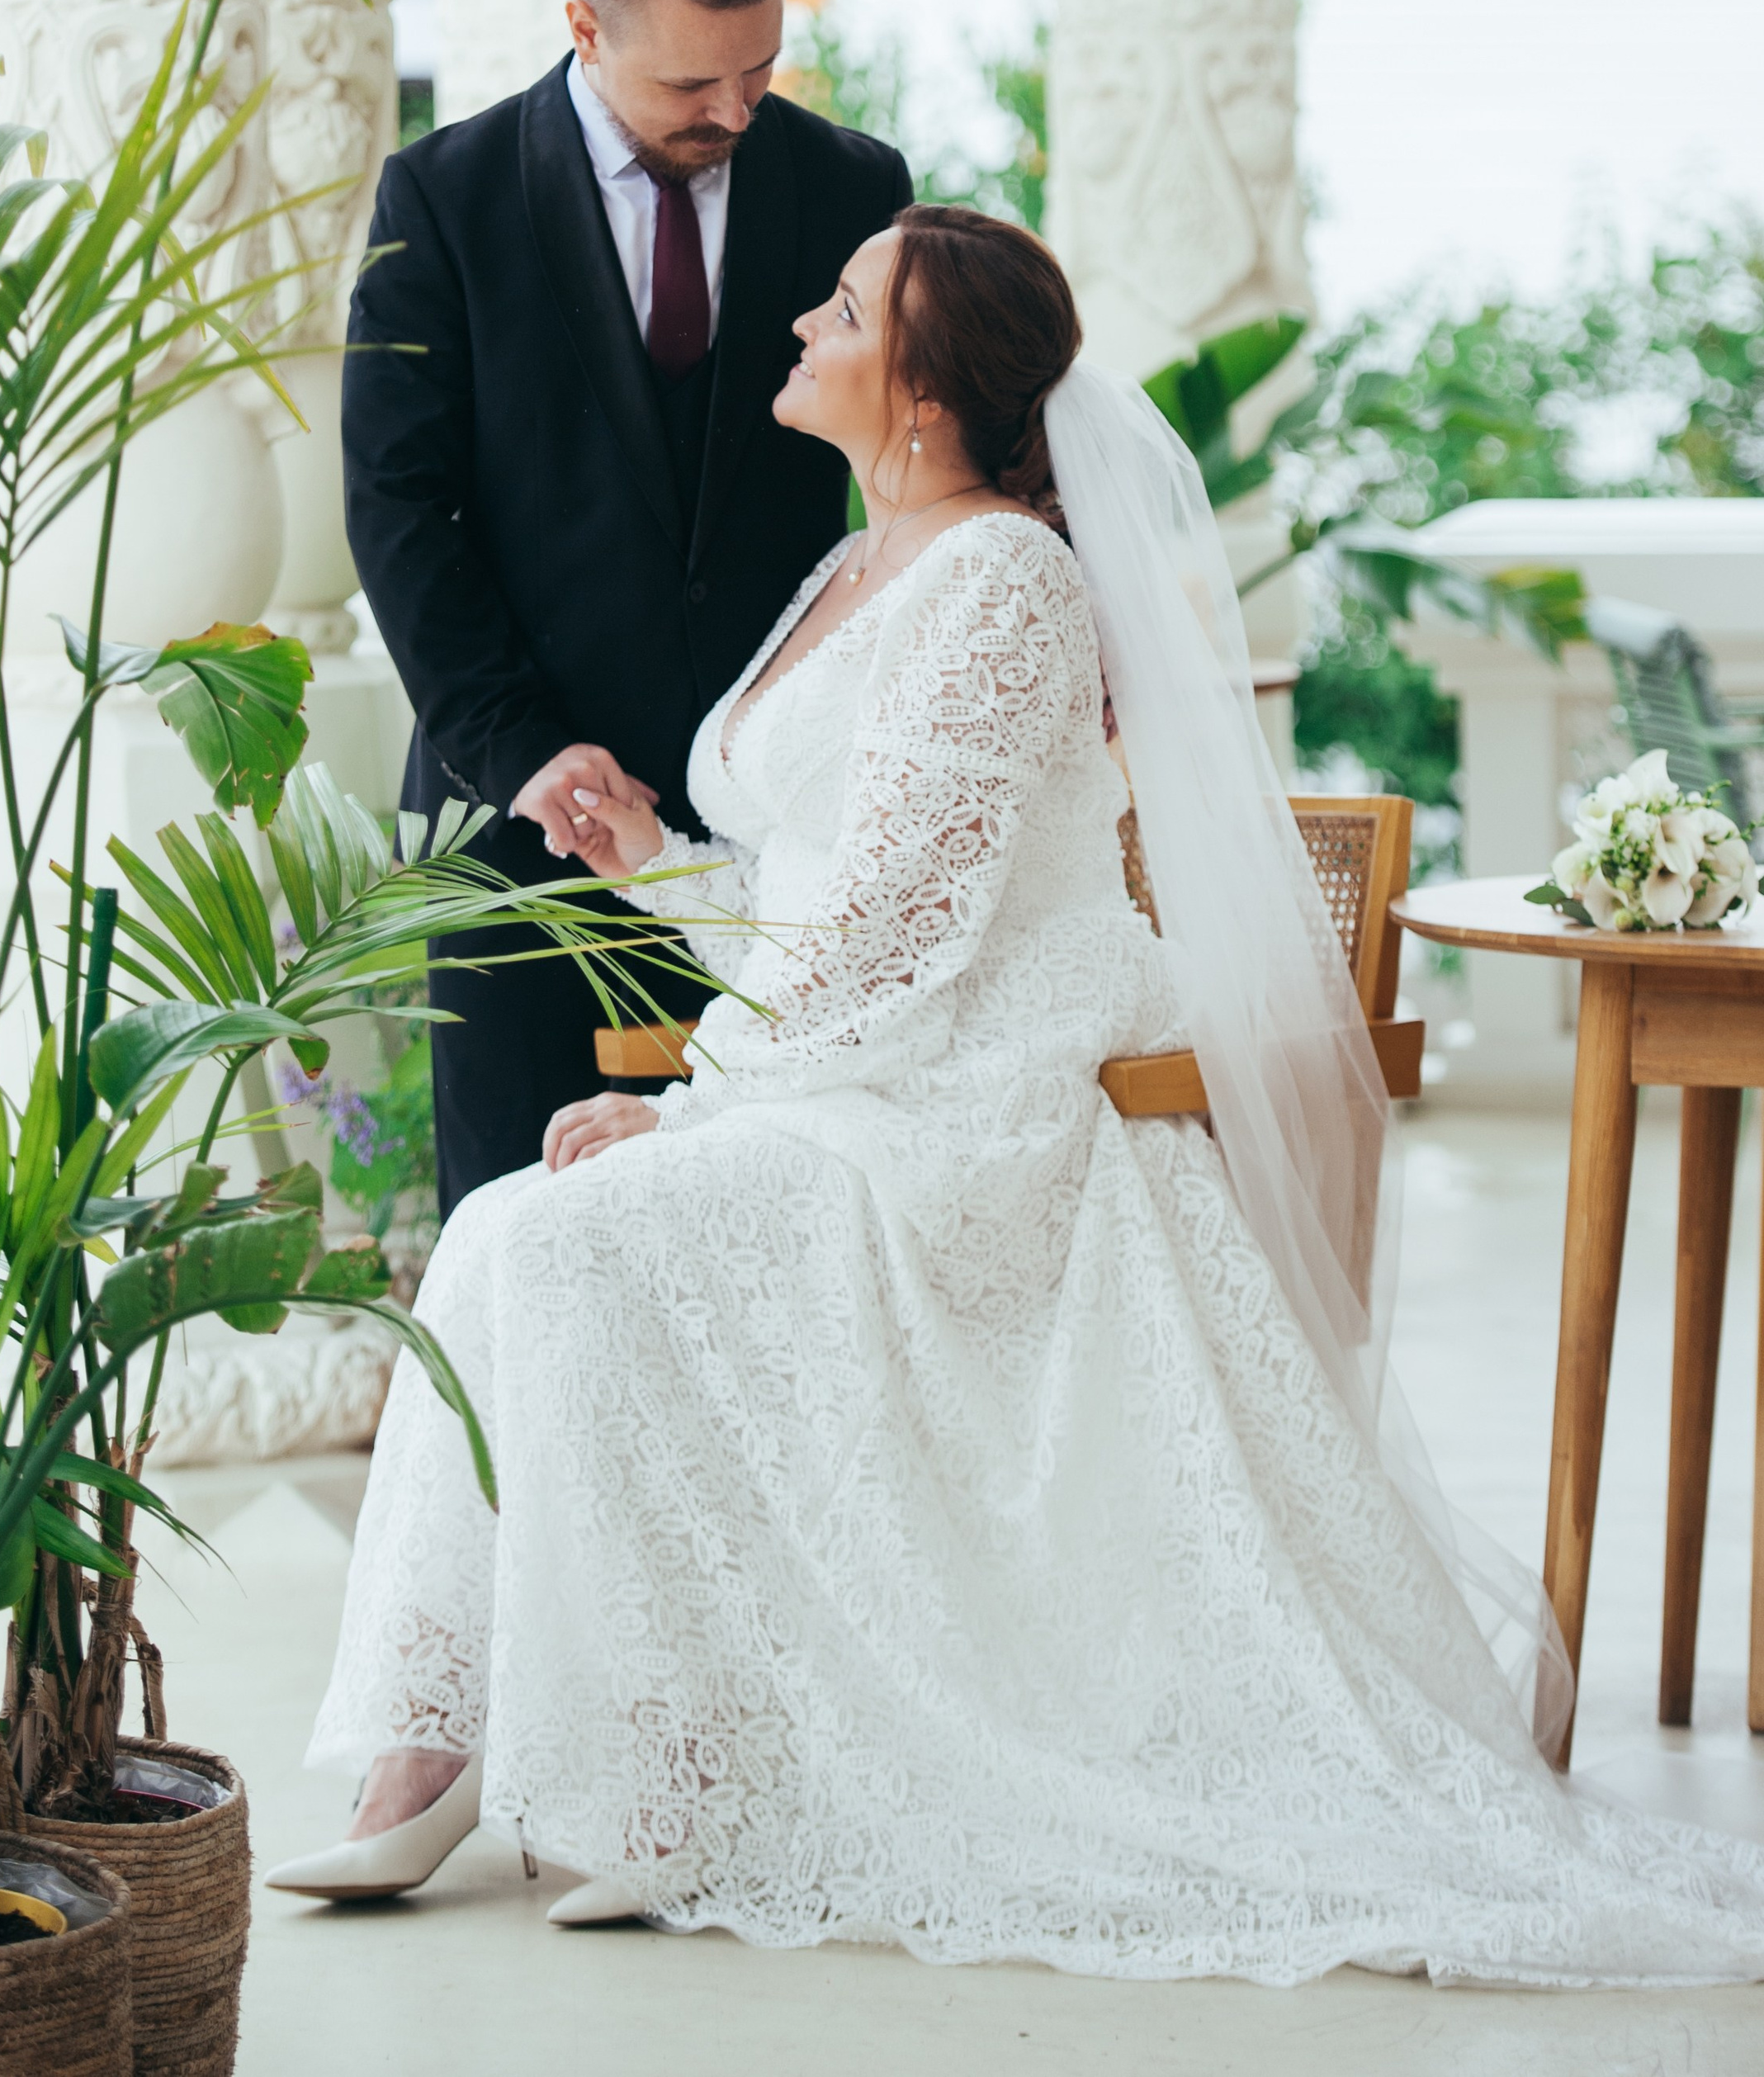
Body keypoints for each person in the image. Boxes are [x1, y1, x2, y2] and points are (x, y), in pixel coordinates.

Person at [277, 206, 1764, 1985]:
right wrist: (651, 856)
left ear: (917, 386)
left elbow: (914, 930)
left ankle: (673, 1786)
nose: (803, 326)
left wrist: (686, 1109)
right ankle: (442, 1750)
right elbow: (823, 901)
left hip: (966, 1108)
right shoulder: (853, 567)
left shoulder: (1004, 581)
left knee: (579, 1241)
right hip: (844, 1064)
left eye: (840, 310)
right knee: (512, 1225)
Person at [341, 0, 907, 1216]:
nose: (735, 110)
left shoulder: (854, 187)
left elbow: (910, 467)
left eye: (760, 70)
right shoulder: (444, 198)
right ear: (586, 28)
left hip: (773, 835)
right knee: (526, 1232)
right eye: (690, 86)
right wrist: (521, 748)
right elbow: (397, 506)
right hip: (522, 832)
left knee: (761, 1245)